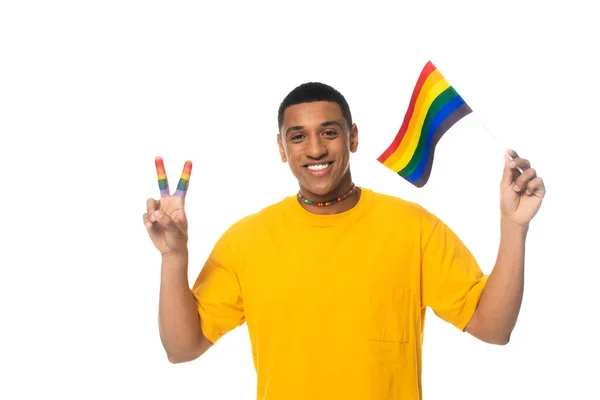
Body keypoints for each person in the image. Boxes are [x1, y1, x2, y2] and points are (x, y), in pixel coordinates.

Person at [143, 82, 545, 399]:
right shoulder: (246, 240)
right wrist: (174, 257)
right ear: (281, 149)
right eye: (297, 136)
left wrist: (514, 226)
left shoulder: (414, 228)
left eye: (329, 132)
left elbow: (493, 329)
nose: (315, 149)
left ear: (352, 137)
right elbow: (183, 348)